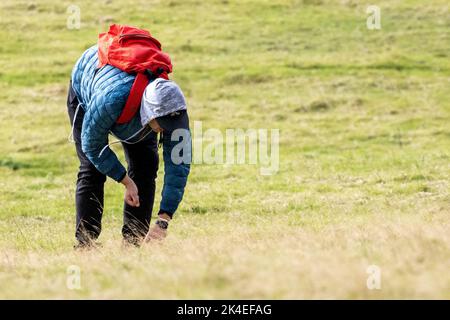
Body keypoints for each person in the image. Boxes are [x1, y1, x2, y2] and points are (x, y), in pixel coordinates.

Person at [67, 45, 191, 248]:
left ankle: (133, 242)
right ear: (149, 113)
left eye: (170, 126)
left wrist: (163, 220)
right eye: (161, 124)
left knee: (146, 166)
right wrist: (125, 180)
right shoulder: (110, 100)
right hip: (88, 85)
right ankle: (86, 243)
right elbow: (93, 146)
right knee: (92, 169)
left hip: (131, 109)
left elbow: (179, 166)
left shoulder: (174, 111)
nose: (164, 130)